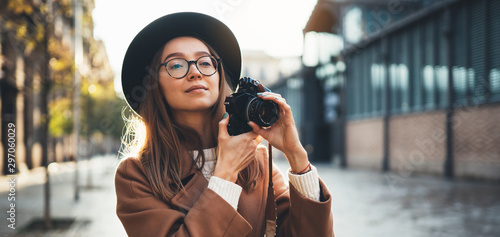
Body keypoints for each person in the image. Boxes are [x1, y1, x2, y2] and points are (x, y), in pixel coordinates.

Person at [115, 12, 334, 237]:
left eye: (205, 62)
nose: (195, 72)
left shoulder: (258, 163)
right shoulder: (136, 175)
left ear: (219, 76)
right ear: (154, 85)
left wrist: (297, 156)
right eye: (177, 65)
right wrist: (226, 172)